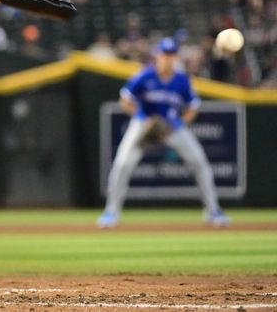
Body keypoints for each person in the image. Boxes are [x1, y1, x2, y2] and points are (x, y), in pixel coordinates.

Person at [97, 38, 231, 229]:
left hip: (173, 127)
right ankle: (111, 211)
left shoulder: (182, 80)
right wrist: (145, 119)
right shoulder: (145, 76)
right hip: (144, 123)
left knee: (199, 162)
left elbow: (193, 107)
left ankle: (213, 210)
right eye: (164, 54)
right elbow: (125, 100)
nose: (167, 58)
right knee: (122, 163)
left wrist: (178, 124)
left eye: (170, 54)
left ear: (175, 57)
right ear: (158, 55)